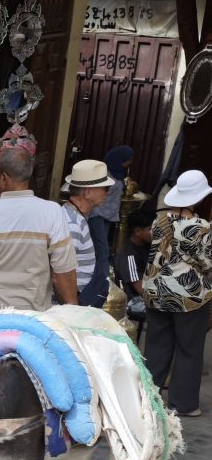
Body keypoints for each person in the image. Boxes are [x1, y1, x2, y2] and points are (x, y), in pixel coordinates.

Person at [0, 142, 78, 317]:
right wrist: (73, 310)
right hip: (31, 319)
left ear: (4, 178)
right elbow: (64, 271)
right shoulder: (52, 212)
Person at [142, 169, 212, 418]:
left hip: (156, 292)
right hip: (187, 297)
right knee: (189, 349)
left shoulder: (159, 221)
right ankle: (183, 404)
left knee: (156, 346)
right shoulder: (200, 227)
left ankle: (148, 397)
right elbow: (207, 262)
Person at [62, 159, 114, 306]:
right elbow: (61, 273)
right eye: (105, 188)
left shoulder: (76, 218)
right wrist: (73, 306)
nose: (107, 193)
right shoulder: (72, 224)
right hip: (70, 304)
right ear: (88, 192)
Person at [86, 144, 134, 307]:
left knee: (101, 249)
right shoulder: (104, 175)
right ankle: (103, 285)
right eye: (127, 160)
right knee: (103, 251)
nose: (128, 163)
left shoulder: (118, 174)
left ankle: (99, 281)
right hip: (96, 215)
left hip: (107, 216)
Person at [113, 205, 155, 324]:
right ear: (137, 231)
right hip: (134, 301)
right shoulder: (128, 254)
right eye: (150, 229)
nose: (154, 232)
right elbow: (140, 289)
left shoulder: (147, 245)